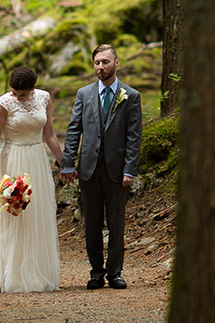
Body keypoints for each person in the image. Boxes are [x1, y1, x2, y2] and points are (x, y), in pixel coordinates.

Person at [0, 67, 63, 293]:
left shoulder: (44, 98)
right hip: (12, 161)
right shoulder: (3, 104)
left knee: (37, 216)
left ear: (33, 88)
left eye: (23, 94)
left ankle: (36, 272)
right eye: (15, 93)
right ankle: (11, 274)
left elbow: (49, 135)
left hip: (37, 160)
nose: (17, 97)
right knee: (13, 218)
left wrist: (64, 163)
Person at [60, 44, 142, 290]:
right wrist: (67, 163)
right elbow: (74, 130)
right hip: (89, 168)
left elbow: (134, 136)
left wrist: (130, 169)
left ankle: (115, 273)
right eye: (97, 62)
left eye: (105, 62)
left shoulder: (132, 96)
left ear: (116, 63)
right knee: (92, 224)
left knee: (116, 223)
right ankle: (96, 272)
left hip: (117, 170)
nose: (100, 67)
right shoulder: (83, 94)